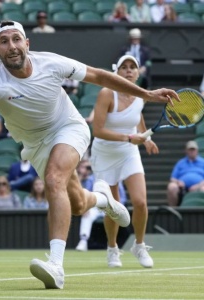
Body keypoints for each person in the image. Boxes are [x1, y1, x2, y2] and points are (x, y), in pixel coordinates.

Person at [0, 20, 179, 289]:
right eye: (4, 42)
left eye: (16, 39)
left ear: (27, 43)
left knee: (54, 179)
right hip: (35, 145)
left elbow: (98, 75)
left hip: (69, 128)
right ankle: (103, 198)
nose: (11, 46)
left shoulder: (52, 63)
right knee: (79, 204)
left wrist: (147, 94)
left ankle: (56, 266)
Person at [91, 55, 160, 268]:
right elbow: (98, 130)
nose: (129, 71)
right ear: (117, 72)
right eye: (124, 67)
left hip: (129, 152)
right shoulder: (106, 93)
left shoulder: (139, 97)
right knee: (114, 206)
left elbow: (137, 119)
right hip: (104, 153)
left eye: (133, 67)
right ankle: (112, 248)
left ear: (138, 73)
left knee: (140, 202)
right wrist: (131, 138)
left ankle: (139, 245)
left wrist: (145, 138)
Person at [75, 159, 127, 252]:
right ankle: (83, 241)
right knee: (87, 214)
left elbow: (122, 197)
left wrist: (116, 206)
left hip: (111, 206)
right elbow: (85, 194)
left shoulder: (115, 178)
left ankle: (112, 244)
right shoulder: (90, 178)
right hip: (95, 208)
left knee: (113, 215)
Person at [166, 140, 204, 206]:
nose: (192, 151)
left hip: (200, 185)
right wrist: (178, 182)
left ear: (197, 150)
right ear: (186, 151)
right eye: (190, 149)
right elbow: (172, 178)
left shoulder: (202, 162)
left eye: (193, 149)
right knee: (171, 186)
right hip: (182, 187)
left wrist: (198, 186)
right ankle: (173, 210)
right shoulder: (180, 163)